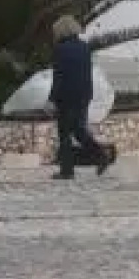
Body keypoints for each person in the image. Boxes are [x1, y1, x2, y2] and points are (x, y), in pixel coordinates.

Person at [47, 15, 111, 180]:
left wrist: (52, 99)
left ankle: (67, 170)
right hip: (83, 95)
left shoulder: (60, 50)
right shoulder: (85, 48)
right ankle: (101, 155)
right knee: (79, 130)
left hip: (66, 96)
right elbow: (86, 73)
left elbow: (59, 77)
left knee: (65, 134)